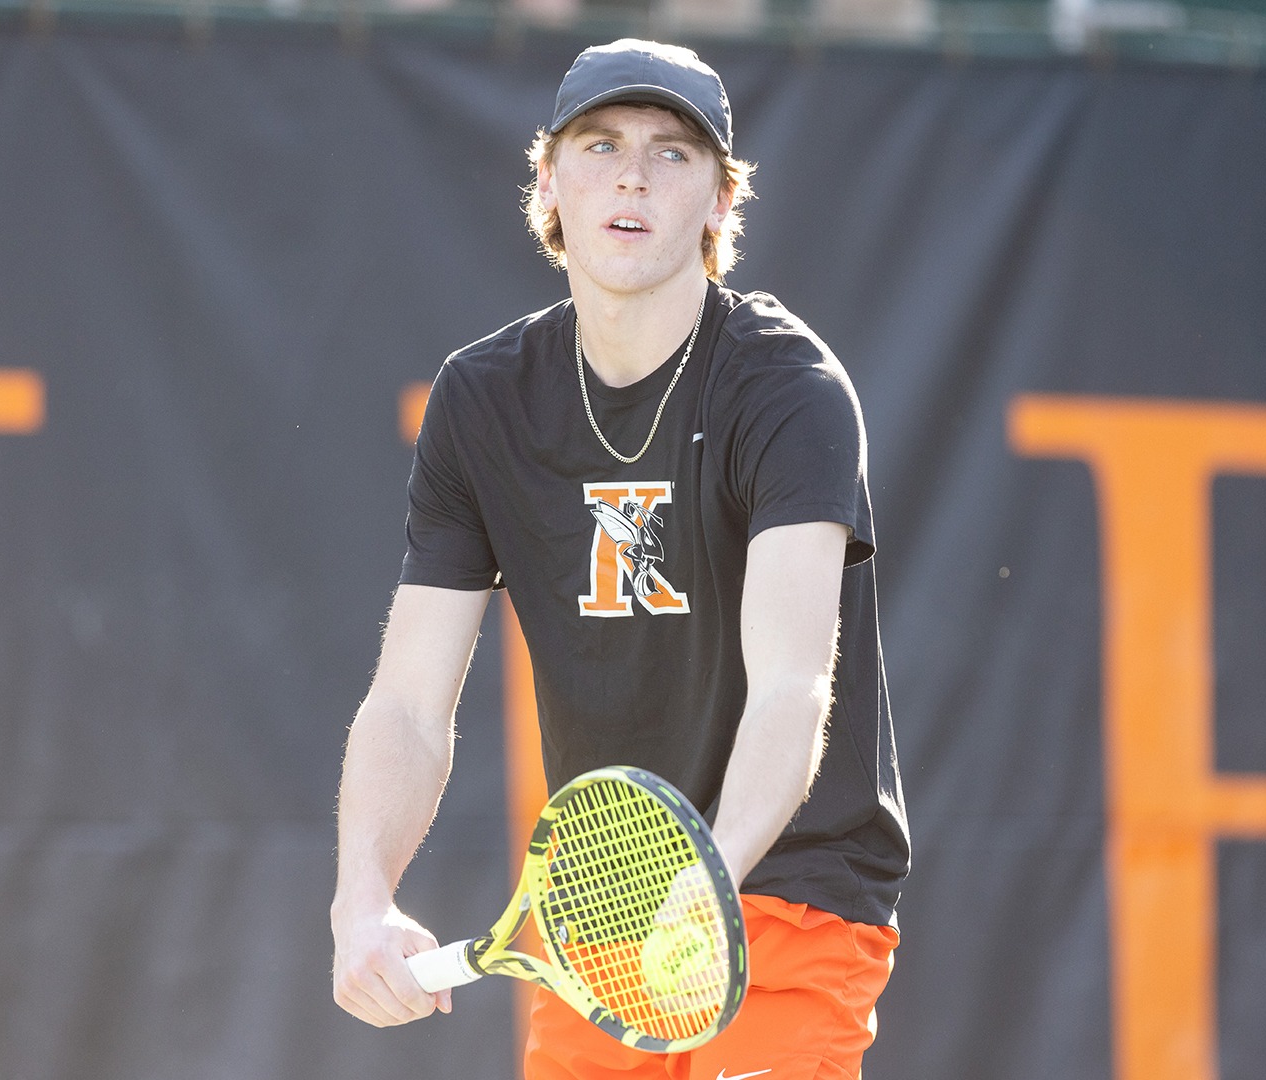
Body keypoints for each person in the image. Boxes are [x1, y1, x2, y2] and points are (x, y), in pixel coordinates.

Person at [330, 38, 909, 1080]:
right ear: (549, 180)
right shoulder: (483, 400)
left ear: (721, 201)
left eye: (673, 153)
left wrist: (711, 880)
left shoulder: (788, 390)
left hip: (785, 900)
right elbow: (411, 703)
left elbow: (794, 684)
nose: (634, 175)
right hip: (599, 917)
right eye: (599, 146)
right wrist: (361, 899)